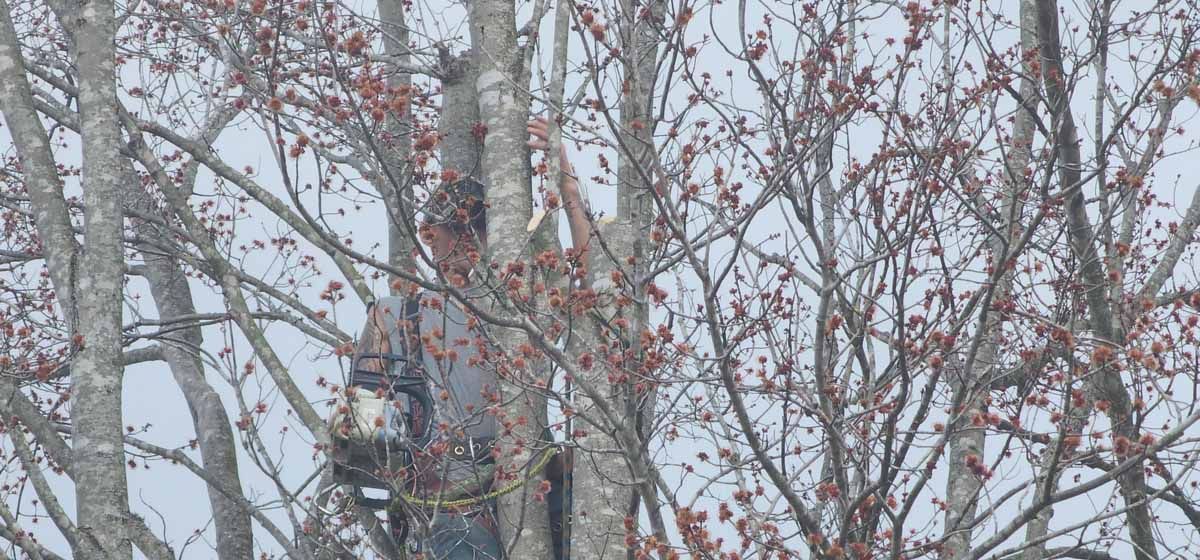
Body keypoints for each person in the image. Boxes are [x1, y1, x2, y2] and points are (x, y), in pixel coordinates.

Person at [348, 118, 586, 559]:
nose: (432, 247)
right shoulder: (396, 314)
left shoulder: (524, 303)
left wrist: (569, 190)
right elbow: (362, 421)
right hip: (448, 500)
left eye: (436, 235)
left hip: (537, 484)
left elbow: (599, 300)